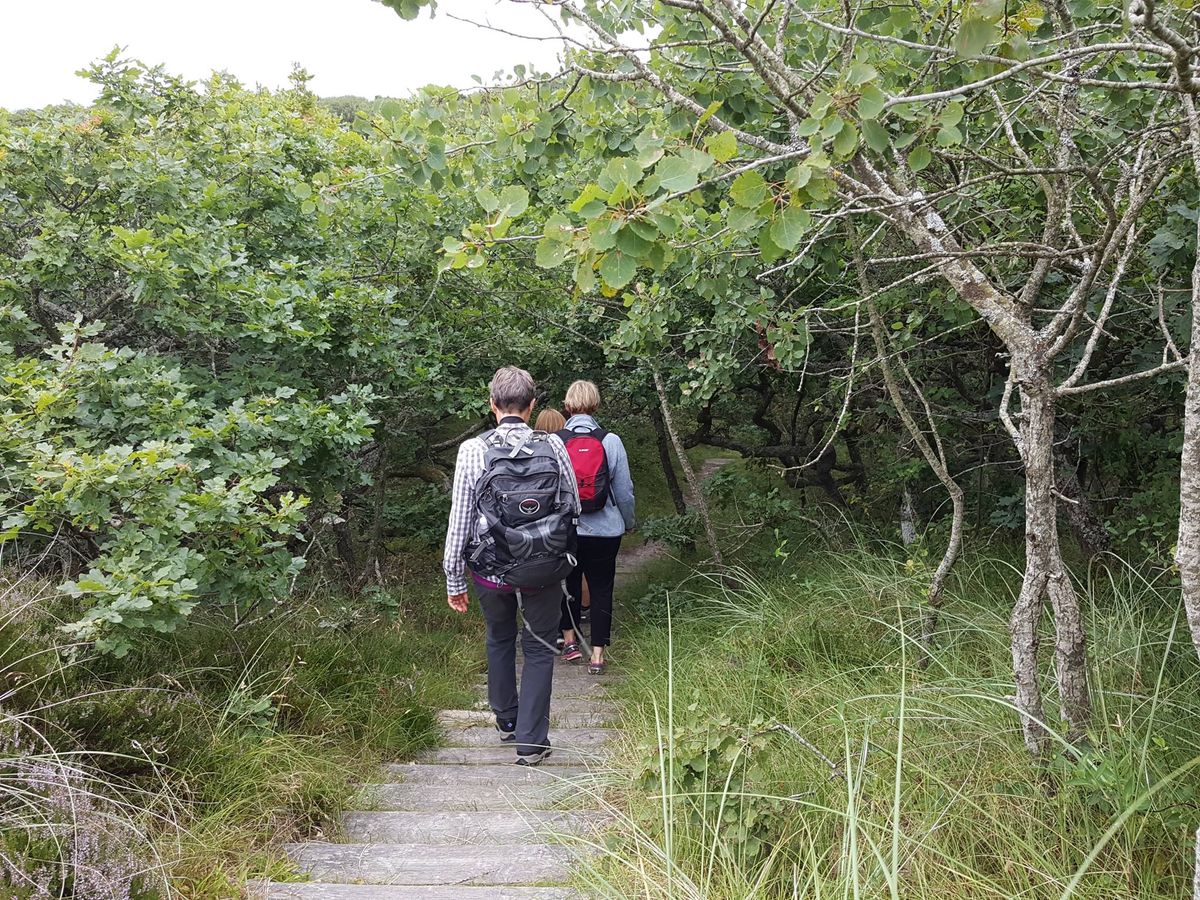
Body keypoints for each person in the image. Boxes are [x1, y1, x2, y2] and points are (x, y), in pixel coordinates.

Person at [443, 367, 581, 765]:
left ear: (492, 404)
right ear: (533, 405)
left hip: (491, 570)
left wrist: (454, 578)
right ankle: (532, 743)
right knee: (539, 647)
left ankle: (506, 721)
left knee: (499, 636)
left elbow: (460, 520)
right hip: (543, 568)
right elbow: (572, 507)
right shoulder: (554, 445)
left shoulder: (473, 449)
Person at [558, 380, 635, 675]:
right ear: (596, 405)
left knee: (569, 586)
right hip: (605, 531)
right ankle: (598, 655)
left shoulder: (556, 442)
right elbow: (624, 490)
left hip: (568, 531)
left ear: (567, 406)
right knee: (602, 589)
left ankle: (570, 643)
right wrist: (627, 522)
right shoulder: (611, 440)